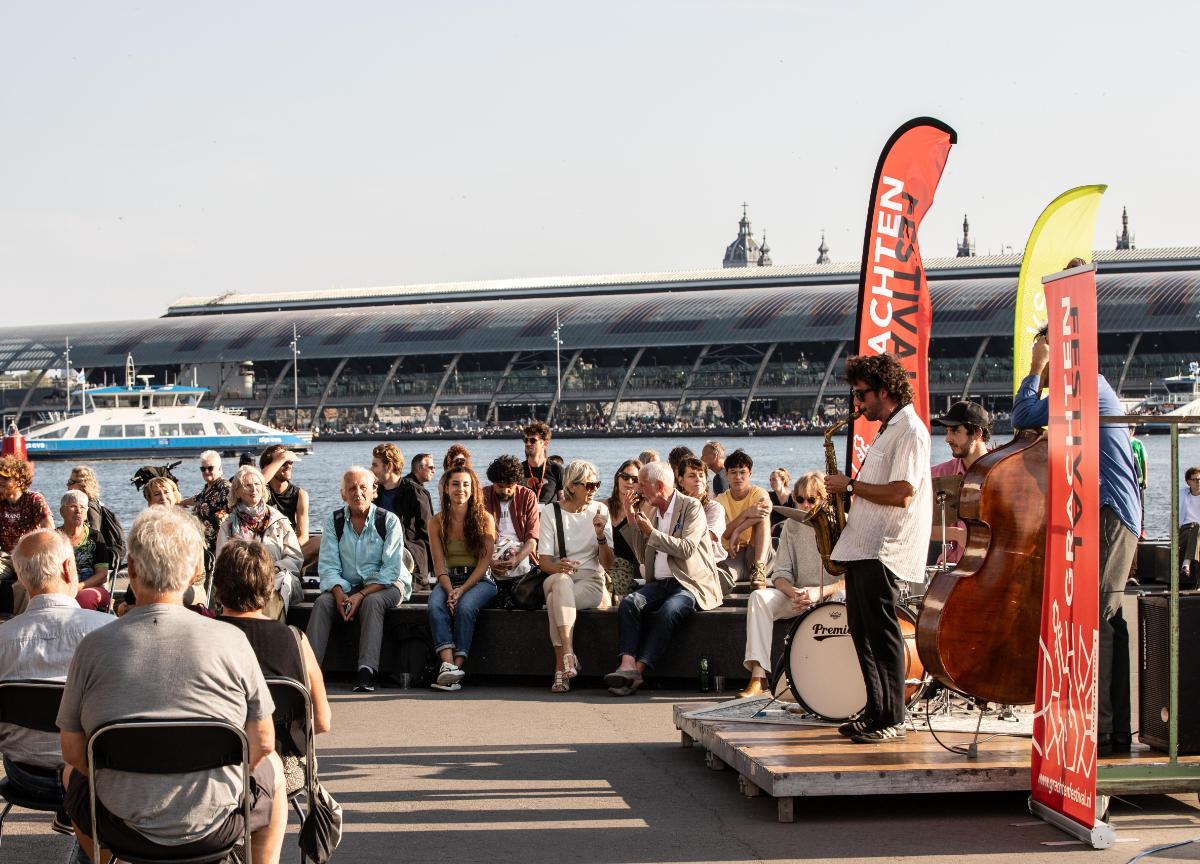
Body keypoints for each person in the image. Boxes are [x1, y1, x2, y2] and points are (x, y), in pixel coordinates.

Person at [57, 506, 287, 864]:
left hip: (120, 825)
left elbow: (73, 752)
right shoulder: (232, 641)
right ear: (196, 571)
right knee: (274, 765)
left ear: (131, 570)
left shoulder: (93, 647)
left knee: (72, 774)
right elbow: (262, 742)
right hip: (217, 823)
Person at [1012, 332, 1142, 756]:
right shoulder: (1089, 387)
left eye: (1046, 363)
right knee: (1105, 618)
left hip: (1108, 511)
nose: (1045, 377)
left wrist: (1034, 369)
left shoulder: (1081, 386)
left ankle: (1098, 729)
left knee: (1095, 619)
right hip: (1107, 511)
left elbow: (1023, 414)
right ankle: (1110, 728)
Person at [825, 353, 932, 743]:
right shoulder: (889, 428)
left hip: (884, 549)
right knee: (862, 632)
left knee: (882, 634)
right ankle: (875, 710)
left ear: (884, 391)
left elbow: (903, 493)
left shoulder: (910, 430)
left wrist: (849, 487)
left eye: (862, 394)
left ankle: (893, 716)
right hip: (863, 546)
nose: (858, 403)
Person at [0, 530, 111, 832]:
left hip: (26, 775)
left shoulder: (2, 640)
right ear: (68, 568)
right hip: (95, 776)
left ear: (21, 579)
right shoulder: (111, 633)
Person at [214, 539, 332, 796]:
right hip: (281, 770)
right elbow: (322, 721)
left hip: (216, 770)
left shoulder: (204, 639)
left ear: (217, 586)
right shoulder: (295, 639)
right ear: (269, 588)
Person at [604, 460, 722, 696]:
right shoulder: (651, 509)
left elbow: (687, 548)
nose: (638, 490)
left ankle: (638, 670)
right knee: (629, 603)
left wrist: (652, 533)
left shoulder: (691, 507)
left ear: (658, 486)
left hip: (689, 584)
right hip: (659, 583)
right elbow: (642, 553)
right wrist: (630, 517)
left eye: (642, 485)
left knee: (669, 610)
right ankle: (627, 664)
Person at [306, 467, 411, 693]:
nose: (358, 493)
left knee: (373, 603)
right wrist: (339, 594)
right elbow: (328, 566)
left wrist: (361, 595)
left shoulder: (388, 521)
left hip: (387, 584)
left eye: (363, 487)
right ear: (343, 494)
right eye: (351, 488)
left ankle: (366, 671)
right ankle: (309, 672)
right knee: (322, 603)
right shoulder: (334, 522)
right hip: (349, 585)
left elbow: (390, 571)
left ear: (374, 491)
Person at [739, 472, 843, 698]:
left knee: (839, 604)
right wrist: (793, 592)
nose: (805, 505)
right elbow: (780, 572)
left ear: (825, 499)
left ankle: (828, 680)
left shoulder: (841, 525)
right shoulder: (792, 526)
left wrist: (819, 592)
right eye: (799, 499)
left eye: (812, 500)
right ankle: (758, 676)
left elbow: (849, 579)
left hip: (833, 594)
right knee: (758, 598)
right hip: (798, 594)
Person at [538, 459, 613, 692]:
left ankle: (561, 666)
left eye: (596, 484)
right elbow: (544, 563)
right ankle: (569, 652)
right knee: (561, 583)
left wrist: (601, 536)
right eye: (588, 485)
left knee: (554, 601)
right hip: (558, 576)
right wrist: (561, 566)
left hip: (590, 580)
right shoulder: (551, 512)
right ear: (571, 486)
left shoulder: (601, 511)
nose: (594, 490)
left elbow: (608, 564)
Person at [427, 465, 497, 691]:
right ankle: (448, 666)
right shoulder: (436, 522)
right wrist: (450, 591)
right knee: (435, 604)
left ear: (473, 489)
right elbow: (439, 563)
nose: (460, 489)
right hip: (449, 580)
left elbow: (484, 563)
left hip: (479, 580)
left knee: (465, 607)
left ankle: (457, 668)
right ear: (446, 488)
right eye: (455, 484)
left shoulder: (485, 519)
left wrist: (462, 590)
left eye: (466, 484)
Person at [215, 466, 304, 616]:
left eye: (257, 485)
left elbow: (295, 558)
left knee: (282, 580)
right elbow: (222, 562)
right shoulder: (228, 526)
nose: (254, 489)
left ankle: (270, 626)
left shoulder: (279, 520)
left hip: (275, 578)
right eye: (248, 485)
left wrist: (272, 570)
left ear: (263, 489)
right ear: (237, 491)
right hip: (242, 581)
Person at [930, 401, 992, 566]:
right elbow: (921, 526)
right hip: (949, 573)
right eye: (947, 431)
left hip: (993, 571)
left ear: (977, 433)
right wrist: (956, 534)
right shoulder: (937, 475)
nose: (947, 438)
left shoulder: (1003, 473)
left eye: (955, 431)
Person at [0, 455, 55, 615]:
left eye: (5, 478)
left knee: (24, 584)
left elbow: (49, 529)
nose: (1, 481)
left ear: (19, 479)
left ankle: (23, 619)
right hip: (6, 557)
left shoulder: (34, 499)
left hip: (29, 556)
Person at [482, 455, 539, 604]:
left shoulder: (528, 496)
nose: (506, 490)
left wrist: (517, 558)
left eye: (510, 486)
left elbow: (532, 539)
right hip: (489, 556)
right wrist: (489, 562)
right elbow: (476, 537)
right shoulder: (483, 496)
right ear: (493, 482)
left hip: (522, 557)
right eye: (500, 486)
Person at [716, 449, 773, 589]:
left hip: (757, 550)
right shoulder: (720, 501)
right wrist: (746, 513)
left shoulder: (758, 493)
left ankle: (759, 569)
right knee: (725, 575)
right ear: (726, 474)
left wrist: (738, 531)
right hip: (734, 553)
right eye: (733, 472)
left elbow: (767, 509)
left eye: (742, 472)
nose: (738, 477)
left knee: (763, 518)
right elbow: (725, 533)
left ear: (750, 474)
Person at [260, 445, 319, 563]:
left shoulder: (300, 495)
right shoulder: (260, 492)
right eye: (283, 462)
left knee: (320, 541)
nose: (288, 465)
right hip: (265, 548)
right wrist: (280, 459)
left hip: (289, 549)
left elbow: (303, 536)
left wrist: (287, 551)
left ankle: (287, 566)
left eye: (290, 462)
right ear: (270, 466)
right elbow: (256, 482)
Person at [58, 490, 112, 612]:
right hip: (60, 587)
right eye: (73, 506)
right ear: (62, 511)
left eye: (82, 507)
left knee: (84, 598)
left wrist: (78, 587)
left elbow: (102, 574)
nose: (78, 511)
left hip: (89, 587)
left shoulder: (95, 537)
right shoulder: (54, 537)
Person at [66, 465, 125, 562]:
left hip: (95, 556)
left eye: (71, 482)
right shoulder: (89, 503)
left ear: (83, 484)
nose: (67, 485)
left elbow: (94, 533)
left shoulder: (89, 506)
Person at [676, 456, 728, 567]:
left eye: (701, 475)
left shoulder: (714, 508)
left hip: (712, 564)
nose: (698, 479)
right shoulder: (674, 507)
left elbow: (707, 537)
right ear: (681, 481)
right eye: (692, 476)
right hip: (681, 563)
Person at [605, 459, 643, 600]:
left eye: (635, 479)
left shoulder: (644, 509)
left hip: (626, 568)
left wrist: (631, 514)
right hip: (601, 563)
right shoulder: (603, 506)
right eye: (625, 477)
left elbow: (641, 549)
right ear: (617, 478)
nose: (629, 482)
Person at [399, 452, 436, 584]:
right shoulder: (418, 490)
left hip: (403, 546)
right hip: (417, 549)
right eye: (431, 467)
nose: (434, 471)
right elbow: (426, 525)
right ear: (419, 468)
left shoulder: (402, 484)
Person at [185, 450, 231, 553]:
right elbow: (198, 499)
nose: (206, 471)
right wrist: (179, 502)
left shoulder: (224, 487)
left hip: (217, 546)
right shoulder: (208, 487)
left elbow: (232, 513)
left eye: (210, 468)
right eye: (203, 469)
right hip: (202, 544)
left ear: (219, 469)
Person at [522, 421, 565, 504]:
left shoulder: (556, 469)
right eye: (526, 440)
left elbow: (562, 498)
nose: (528, 443)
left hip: (549, 516)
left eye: (533, 440)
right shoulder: (518, 469)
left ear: (544, 443)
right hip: (525, 516)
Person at [371, 442, 406, 516]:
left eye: (375, 465)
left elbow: (426, 526)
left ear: (389, 466)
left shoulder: (415, 494)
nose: (371, 469)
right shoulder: (372, 493)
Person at [1181, 466, 1200, 586]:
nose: (1198, 482)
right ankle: (1186, 563)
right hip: (1184, 530)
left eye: (1199, 479)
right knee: (1196, 528)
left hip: (1198, 533)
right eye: (1195, 479)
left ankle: (1186, 564)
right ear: (1188, 481)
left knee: (1198, 531)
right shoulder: (1181, 495)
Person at [767, 467, 793, 535]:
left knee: (780, 528)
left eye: (774, 480)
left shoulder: (792, 497)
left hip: (788, 530)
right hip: (770, 532)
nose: (771, 482)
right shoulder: (768, 496)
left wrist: (778, 525)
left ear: (782, 481)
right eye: (770, 480)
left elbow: (795, 517)